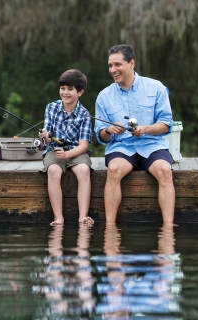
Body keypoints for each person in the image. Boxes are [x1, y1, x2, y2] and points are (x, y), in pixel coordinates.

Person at [95, 44, 175, 224]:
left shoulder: (156, 87)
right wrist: (108, 130)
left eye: (117, 64)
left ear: (132, 63)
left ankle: (168, 229)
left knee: (164, 170)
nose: (113, 70)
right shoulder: (104, 96)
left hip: (152, 145)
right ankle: (110, 228)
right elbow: (101, 136)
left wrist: (145, 129)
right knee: (114, 169)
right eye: (110, 66)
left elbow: (166, 124)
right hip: (121, 148)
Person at [39, 69, 93, 226]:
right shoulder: (51, 108)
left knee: (83, 170)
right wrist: (46, 137)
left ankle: (83, 217)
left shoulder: (85, 114)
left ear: (80, 92)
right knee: (53, 170)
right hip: (54, 150)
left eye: (70, 89)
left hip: (76, 151)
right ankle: (58, 218)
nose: (65, 92)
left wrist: (68, 154)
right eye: (63, 88)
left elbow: (83, 146)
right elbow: (47, 133)